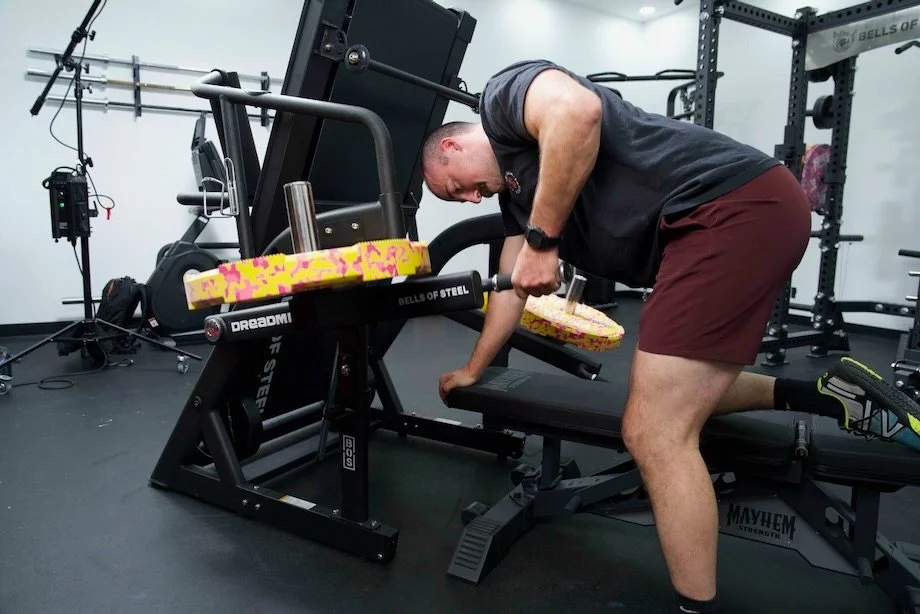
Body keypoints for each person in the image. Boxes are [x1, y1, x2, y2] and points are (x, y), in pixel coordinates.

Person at [421, 59, 920, 613]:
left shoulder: (500, 98)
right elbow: (511, 290)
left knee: (654, 430)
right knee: (665, 394)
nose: (468, 201)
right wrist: (474, 367)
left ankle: (696, 608)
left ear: (451, 150)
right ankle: (819, 394)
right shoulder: (514, 198)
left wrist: (543, 242)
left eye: (454, 191)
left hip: (729, 211)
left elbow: (578, 110)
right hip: (729, 221)